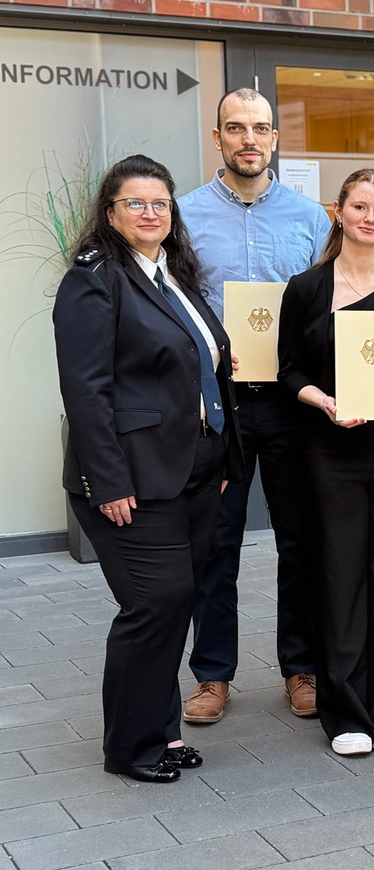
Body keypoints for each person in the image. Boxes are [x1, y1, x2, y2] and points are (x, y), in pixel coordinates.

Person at [53, 154, 243, 782]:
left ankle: (161, 734)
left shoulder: (173, 275)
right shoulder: (94, 280)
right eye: (135, 202)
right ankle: (130, 748)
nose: (150, 212)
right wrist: (107, 481)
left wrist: (223, 452)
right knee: (153, 605)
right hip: (134, 479)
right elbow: (86, 392)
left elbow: (203, 364)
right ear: (110, 213)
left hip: (194, 471)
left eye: (160, 202)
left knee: (176, 602)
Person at [178, 87, 331, 725]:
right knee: (216, 543)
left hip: (293, 403)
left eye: (260, 128)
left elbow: (328, 309)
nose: (249, 139)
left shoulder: (311, 219)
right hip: (221, 405)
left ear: (274, 138)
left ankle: (302, 666)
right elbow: (172, 309)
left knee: (301, 540)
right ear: (218, 138)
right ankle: (213, 675)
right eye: (236, 128)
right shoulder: (183, 216)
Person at [277, 168, 374, 756]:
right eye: (360, 207)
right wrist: (322, 400)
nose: (370, 218)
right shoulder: (305, 288)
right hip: (330, 451)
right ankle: (344, 710)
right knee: (338, 576)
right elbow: (288, 370)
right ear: (338, 212)